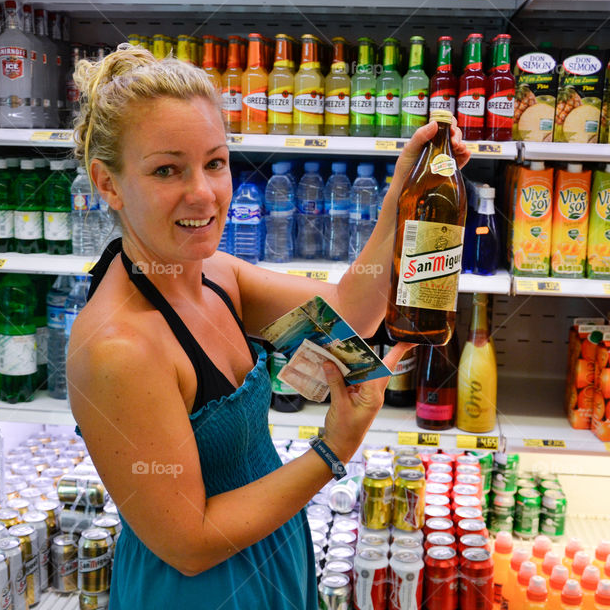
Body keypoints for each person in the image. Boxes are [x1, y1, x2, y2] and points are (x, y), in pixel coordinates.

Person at [66, 43, 471, 609]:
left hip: (270, 555)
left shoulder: (212, 274)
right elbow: (191, 543)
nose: (204, 193)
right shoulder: (118, 347)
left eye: (215, 162)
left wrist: (404, 200)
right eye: (167, 169)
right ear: (107, 183)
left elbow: (348, 313)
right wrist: (334, 447)